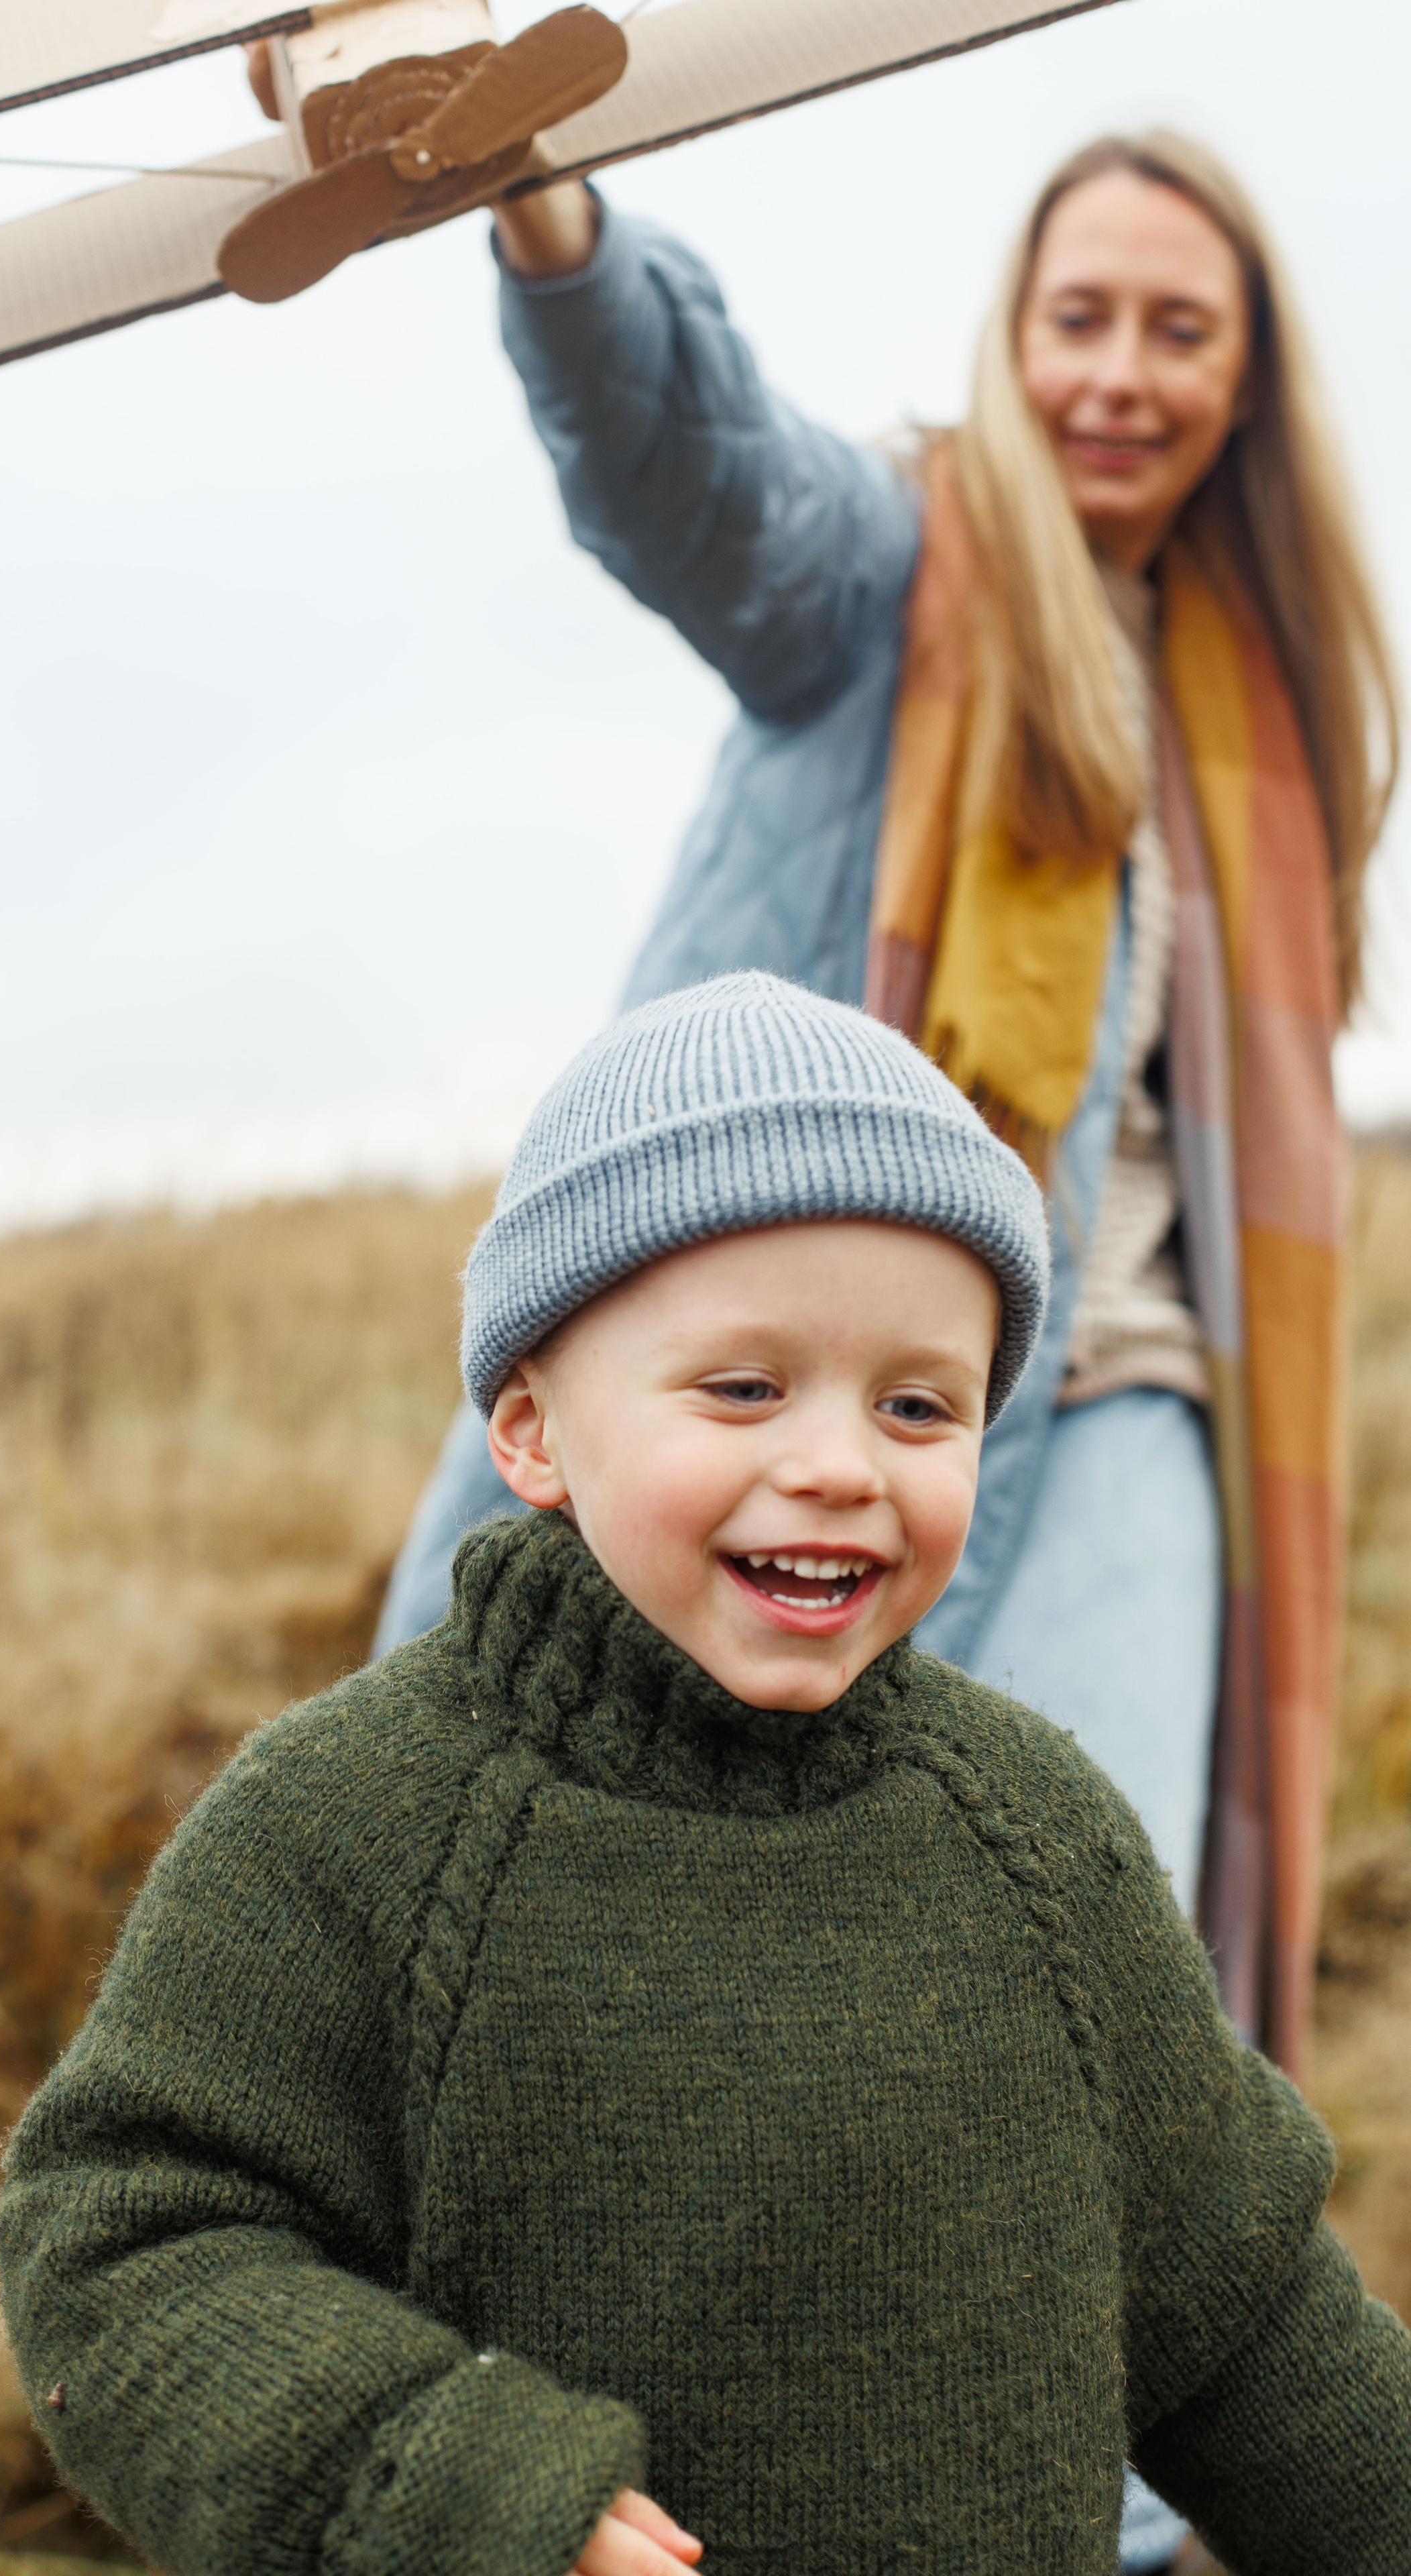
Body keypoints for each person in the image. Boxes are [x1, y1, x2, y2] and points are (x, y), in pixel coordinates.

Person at [0, 973, 1411, 2576]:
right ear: (530, 1431)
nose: (836, 1461)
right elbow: (123, 2245)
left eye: (917, 1404)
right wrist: (456, 2492)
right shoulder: (351, 1828)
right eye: (742, 1387)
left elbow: (1244, 2325)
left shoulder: (1032, 1834)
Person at [373, 132, 1398, 2107]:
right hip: (790, 1375)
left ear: (1247, 378)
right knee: (630, 1918)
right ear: (1010, 339)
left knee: (1078, 1988)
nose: (1118, 372)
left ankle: (1057, 2413)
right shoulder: (882, 569)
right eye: (1076, 316)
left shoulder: (1256, 706)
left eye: (1178, 330)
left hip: (1126, 1393)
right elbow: (696, 472)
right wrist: (547, 216)